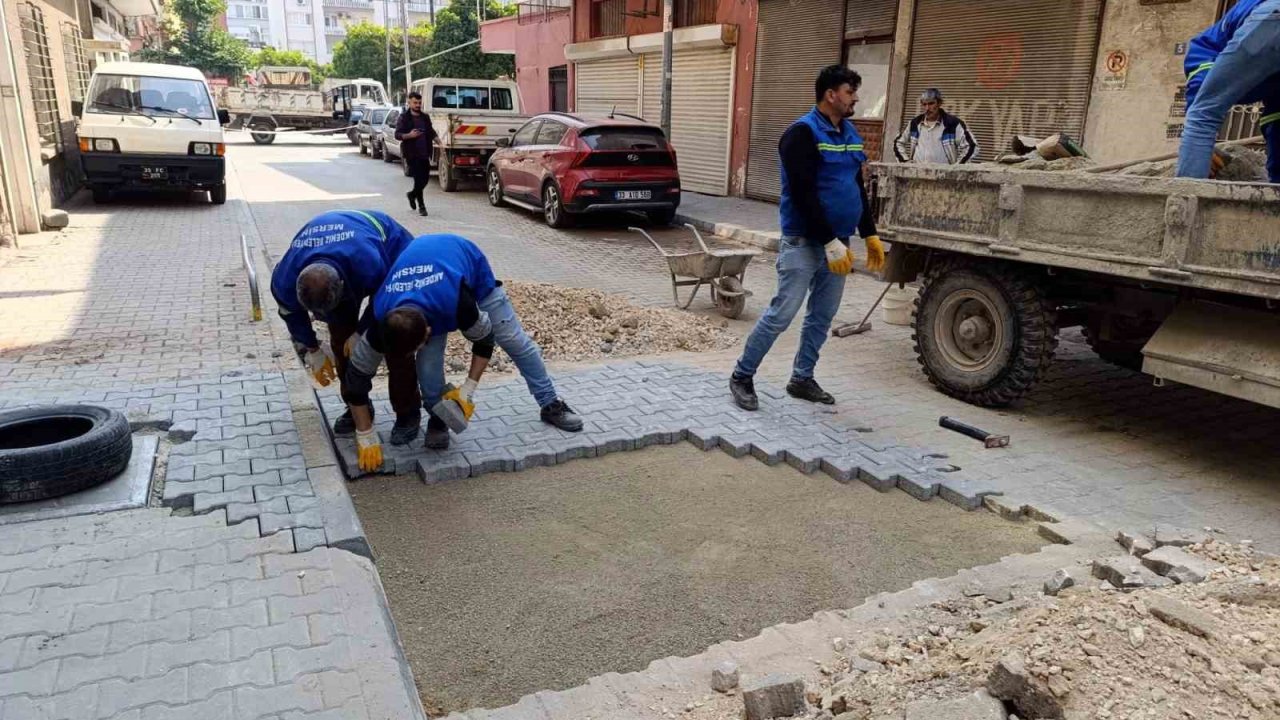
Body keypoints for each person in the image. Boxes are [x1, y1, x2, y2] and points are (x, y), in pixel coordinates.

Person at [343, 233, 583, 471]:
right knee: (427, 371)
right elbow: (356, 380)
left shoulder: (459, 303)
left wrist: (468, 390)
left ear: (427, 331)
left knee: (515, 342)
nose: (421, 349)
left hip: (467, 271)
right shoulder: (381, 319)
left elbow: (485, 340)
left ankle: (550, 403)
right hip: (424, 284)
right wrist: (365, 433)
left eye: (420, 345)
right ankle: (439, 417)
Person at [729, 65, 886, 411]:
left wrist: (870, 234)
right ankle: (742, 375)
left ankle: (802, 377)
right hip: (804, 242)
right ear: (831, 94)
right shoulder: (801, 134)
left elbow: (855, 186)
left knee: (822, 315)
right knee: (782, 313)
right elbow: (802, 194)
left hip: (839, 243)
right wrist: (829, 241)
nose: (855, 98)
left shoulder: (849, 133)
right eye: (850, 91)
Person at [270, 210, 422, 444]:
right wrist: (312, 348)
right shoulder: (285, 278)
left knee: (396, 338)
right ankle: (357, 407)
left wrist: (362, 331)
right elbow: (290, 313)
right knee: (341, 345)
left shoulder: (368, 261)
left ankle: (407, 413)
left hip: (391, 250)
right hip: (342, 259)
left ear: (342, 286)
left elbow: (385, 298)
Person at [1176, 0, 1280, 183]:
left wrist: (1199, 148)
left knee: (1203, 114)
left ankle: (1185, 202)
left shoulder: (1211, 45)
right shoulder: (1207, 50)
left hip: (1271, 21)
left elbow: (1204, 103)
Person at [893, 88, 979, 164]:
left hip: (943, 178)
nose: (927, 108)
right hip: (917, 176)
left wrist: (957, 168)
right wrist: (905, 162)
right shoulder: (914, 124)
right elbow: (898, 143)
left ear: (939, 103)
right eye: (924, 104)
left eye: (931, 104)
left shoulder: (952, 124)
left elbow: (972, 146)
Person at [395, 91, 436, 216]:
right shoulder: (404, 117)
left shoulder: (425, 117)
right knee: (418, 180)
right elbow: (397, 134)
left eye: (419, 102)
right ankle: (422, 206)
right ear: (409, 102)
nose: (418, 105)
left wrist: (438, 140)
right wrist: (409, 135)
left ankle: (412, 194)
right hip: (412, 154)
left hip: (425, 153)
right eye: (415, 103)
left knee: (425, 180)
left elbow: (430, 131)